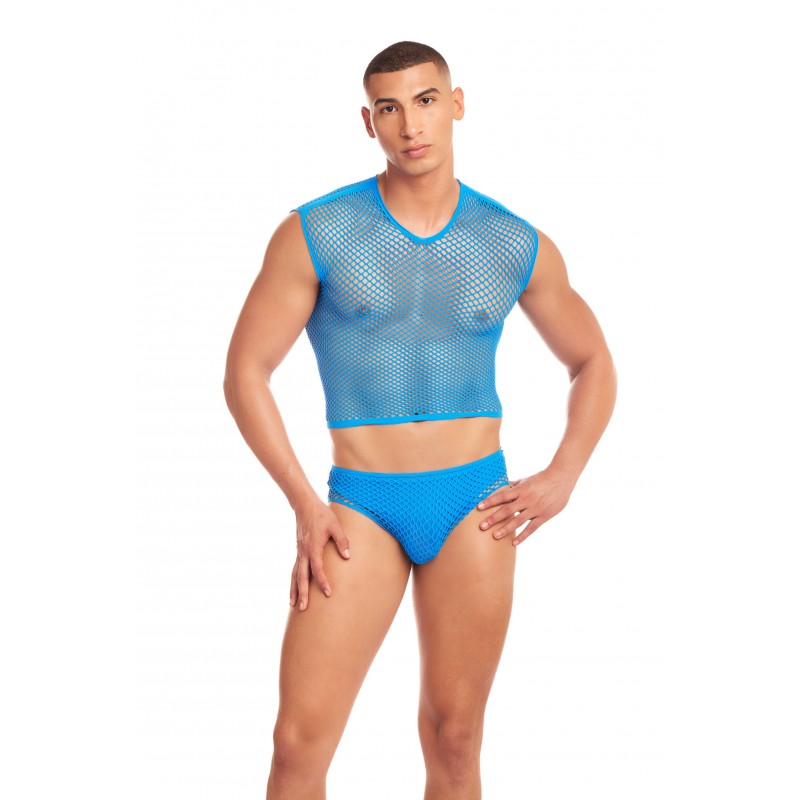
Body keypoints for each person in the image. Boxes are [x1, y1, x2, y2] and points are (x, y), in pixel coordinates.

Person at [223, 40, 616, 800]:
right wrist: (303, 502)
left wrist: (564, 473)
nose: (411, 125)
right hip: (359, 507)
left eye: (427, 101)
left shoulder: (511, 241)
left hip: (476, 504)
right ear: (368, 121)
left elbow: (593, 359)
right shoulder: (316, 232)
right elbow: (245, 372)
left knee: (455, 737)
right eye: (390, 108)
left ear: (456, 104)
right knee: (298, 742)